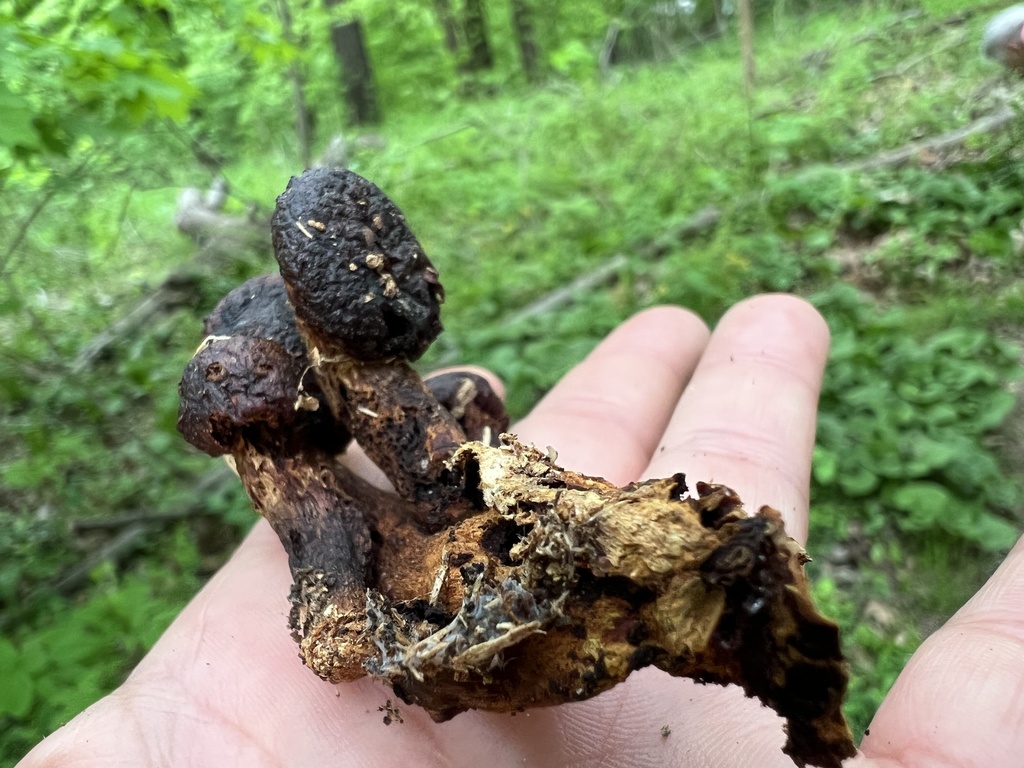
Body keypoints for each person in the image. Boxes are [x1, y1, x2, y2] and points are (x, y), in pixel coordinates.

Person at [17, 295, 1024, 767]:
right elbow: (329, 591)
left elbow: (434, 433)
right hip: (443, 605)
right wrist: (390, 628)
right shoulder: (311, 491)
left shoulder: (410, 420)